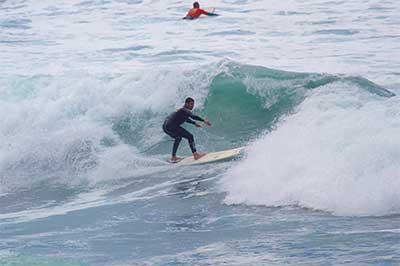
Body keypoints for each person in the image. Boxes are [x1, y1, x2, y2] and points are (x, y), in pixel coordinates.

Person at [163, 97, 212, 163]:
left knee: (178, 138)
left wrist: (194, 123)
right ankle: (196, 155)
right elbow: (193, 116)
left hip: (166, 126)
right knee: (190, 136)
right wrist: (204, 121)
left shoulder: (182, 111)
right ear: (186, 103)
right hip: (171, 126)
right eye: (191, 104)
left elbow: (186, 119)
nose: (192, 106)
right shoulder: (184, 110)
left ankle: (173, 157)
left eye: (193, 104)